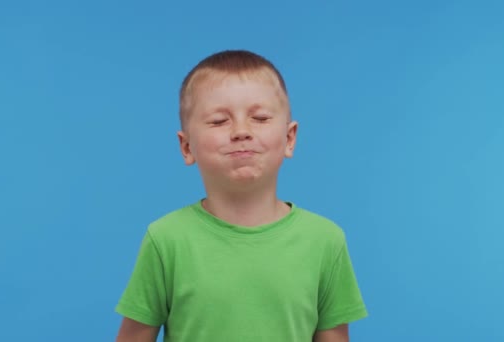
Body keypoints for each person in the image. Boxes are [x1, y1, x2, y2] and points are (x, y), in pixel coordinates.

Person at [115, 49, 368, 342]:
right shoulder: (165, 240)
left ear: (289, 138)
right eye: (219, 121)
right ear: (186, 147)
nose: (241, 131)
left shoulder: (326, 241)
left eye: (259, 117)